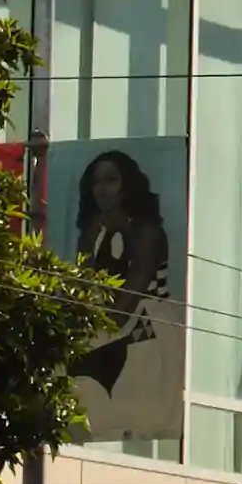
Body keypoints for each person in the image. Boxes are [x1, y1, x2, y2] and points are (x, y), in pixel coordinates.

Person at [70, 149, 170, 395]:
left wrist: (100, 332)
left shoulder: (147, 233)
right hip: (107, 326)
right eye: (96, 182)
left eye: (111, 180)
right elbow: (82, 283)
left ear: (128, 185)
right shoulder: (92, 231)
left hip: (146, 327)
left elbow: (134, 288)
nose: (102, 189)